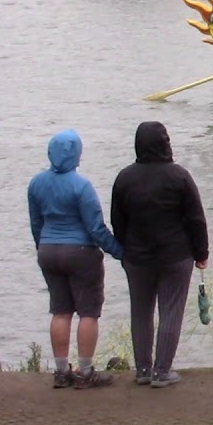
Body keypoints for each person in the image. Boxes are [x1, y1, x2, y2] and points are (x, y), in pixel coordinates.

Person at [111, 122, 210, 388]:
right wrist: (201, 253)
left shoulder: (124, 178)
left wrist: (124, 250)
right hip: (175, 256)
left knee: (140, 312)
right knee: (171, 311)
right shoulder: (179, 177)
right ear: (165, 143)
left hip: (137, 258)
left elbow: (117, 220)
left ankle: (143, 370)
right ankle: (162, 371)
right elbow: (196, 218)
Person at [27, 129, 124, 390]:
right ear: (77, 154)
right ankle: (85, 372)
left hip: (48, 250)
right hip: (81, 253)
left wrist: (42, 247)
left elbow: (36, 223)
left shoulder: (36, 184)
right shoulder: (81, 186)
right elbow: (96, 229)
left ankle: (61, 372)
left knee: (60, 311)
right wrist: (120, 252)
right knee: (88, 312)